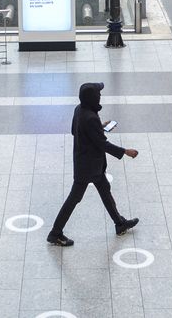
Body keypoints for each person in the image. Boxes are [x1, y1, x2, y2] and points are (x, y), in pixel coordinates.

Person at [47, 82, 139, 247]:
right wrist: (125, 151)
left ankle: (119, 223)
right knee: (74, 199)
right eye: (98, 94)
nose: (100, 96)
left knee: (105, 191)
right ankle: (55, 233)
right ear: (92, 98)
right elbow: (102, 144)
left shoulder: (80, 110)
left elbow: (76, 131)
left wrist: (99, 127)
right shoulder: (90, 117)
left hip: (87, 164)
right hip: (89, 167)